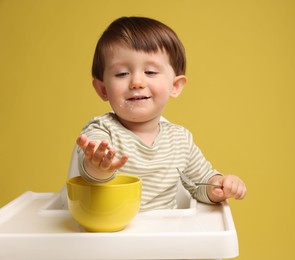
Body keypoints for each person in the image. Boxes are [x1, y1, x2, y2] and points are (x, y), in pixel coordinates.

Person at [76, 16, 246, 211]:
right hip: (113, 235)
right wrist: (98, 166)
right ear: (103, 89)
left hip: (165, 235)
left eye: (150, 72)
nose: (136, 82)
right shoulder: (101, 130)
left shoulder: (180, 140)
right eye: (122, 73)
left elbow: (200, 184)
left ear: (175, 86)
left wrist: (220, 185)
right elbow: (90, 167)